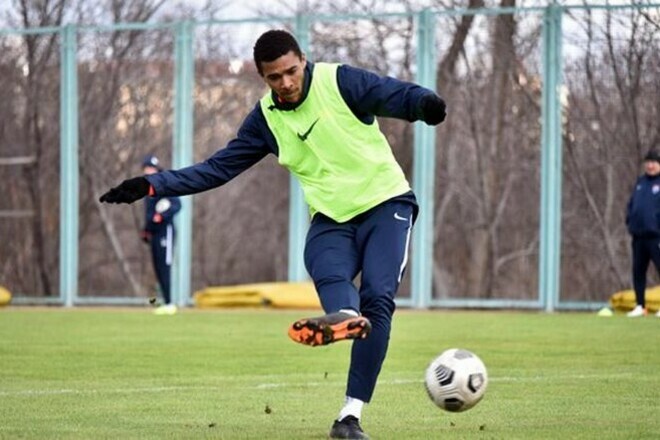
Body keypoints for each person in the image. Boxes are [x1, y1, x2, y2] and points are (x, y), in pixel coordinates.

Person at [100, 29, 446, 438]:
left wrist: (424, 104)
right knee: (323, 263)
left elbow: (390, 93)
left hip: (386, 204)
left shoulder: (339, 81)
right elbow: (217, 168)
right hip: (332, 217)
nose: (285, 82)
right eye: (274, 77)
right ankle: (345, 318)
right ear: (262, 77)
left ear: (303, 60)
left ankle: (349, 415)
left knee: (378, 298)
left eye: (291, 71)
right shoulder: (265, 119)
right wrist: (152, 185)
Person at [140, 154, 181, 315]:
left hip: (166, 232)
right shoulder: (147, 188)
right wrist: (146, 230)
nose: (149, 171)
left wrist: (162, 216)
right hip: (155, 233)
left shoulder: (165, 184)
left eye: (151, 168)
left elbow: (176, 205)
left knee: (165, 267)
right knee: (157, 268)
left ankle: (170, 304)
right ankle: (164, 302)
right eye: (146, 168)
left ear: (157, 170)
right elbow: (150, 214)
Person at [625, 148, 660, 318]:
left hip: (656, 236)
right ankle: (640, 305)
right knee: (638, 271)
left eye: (654, 162)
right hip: (639, 236)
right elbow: (632, 204)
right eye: (648, 162)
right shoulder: (640, 182)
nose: (650, 166)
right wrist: (629, 221)